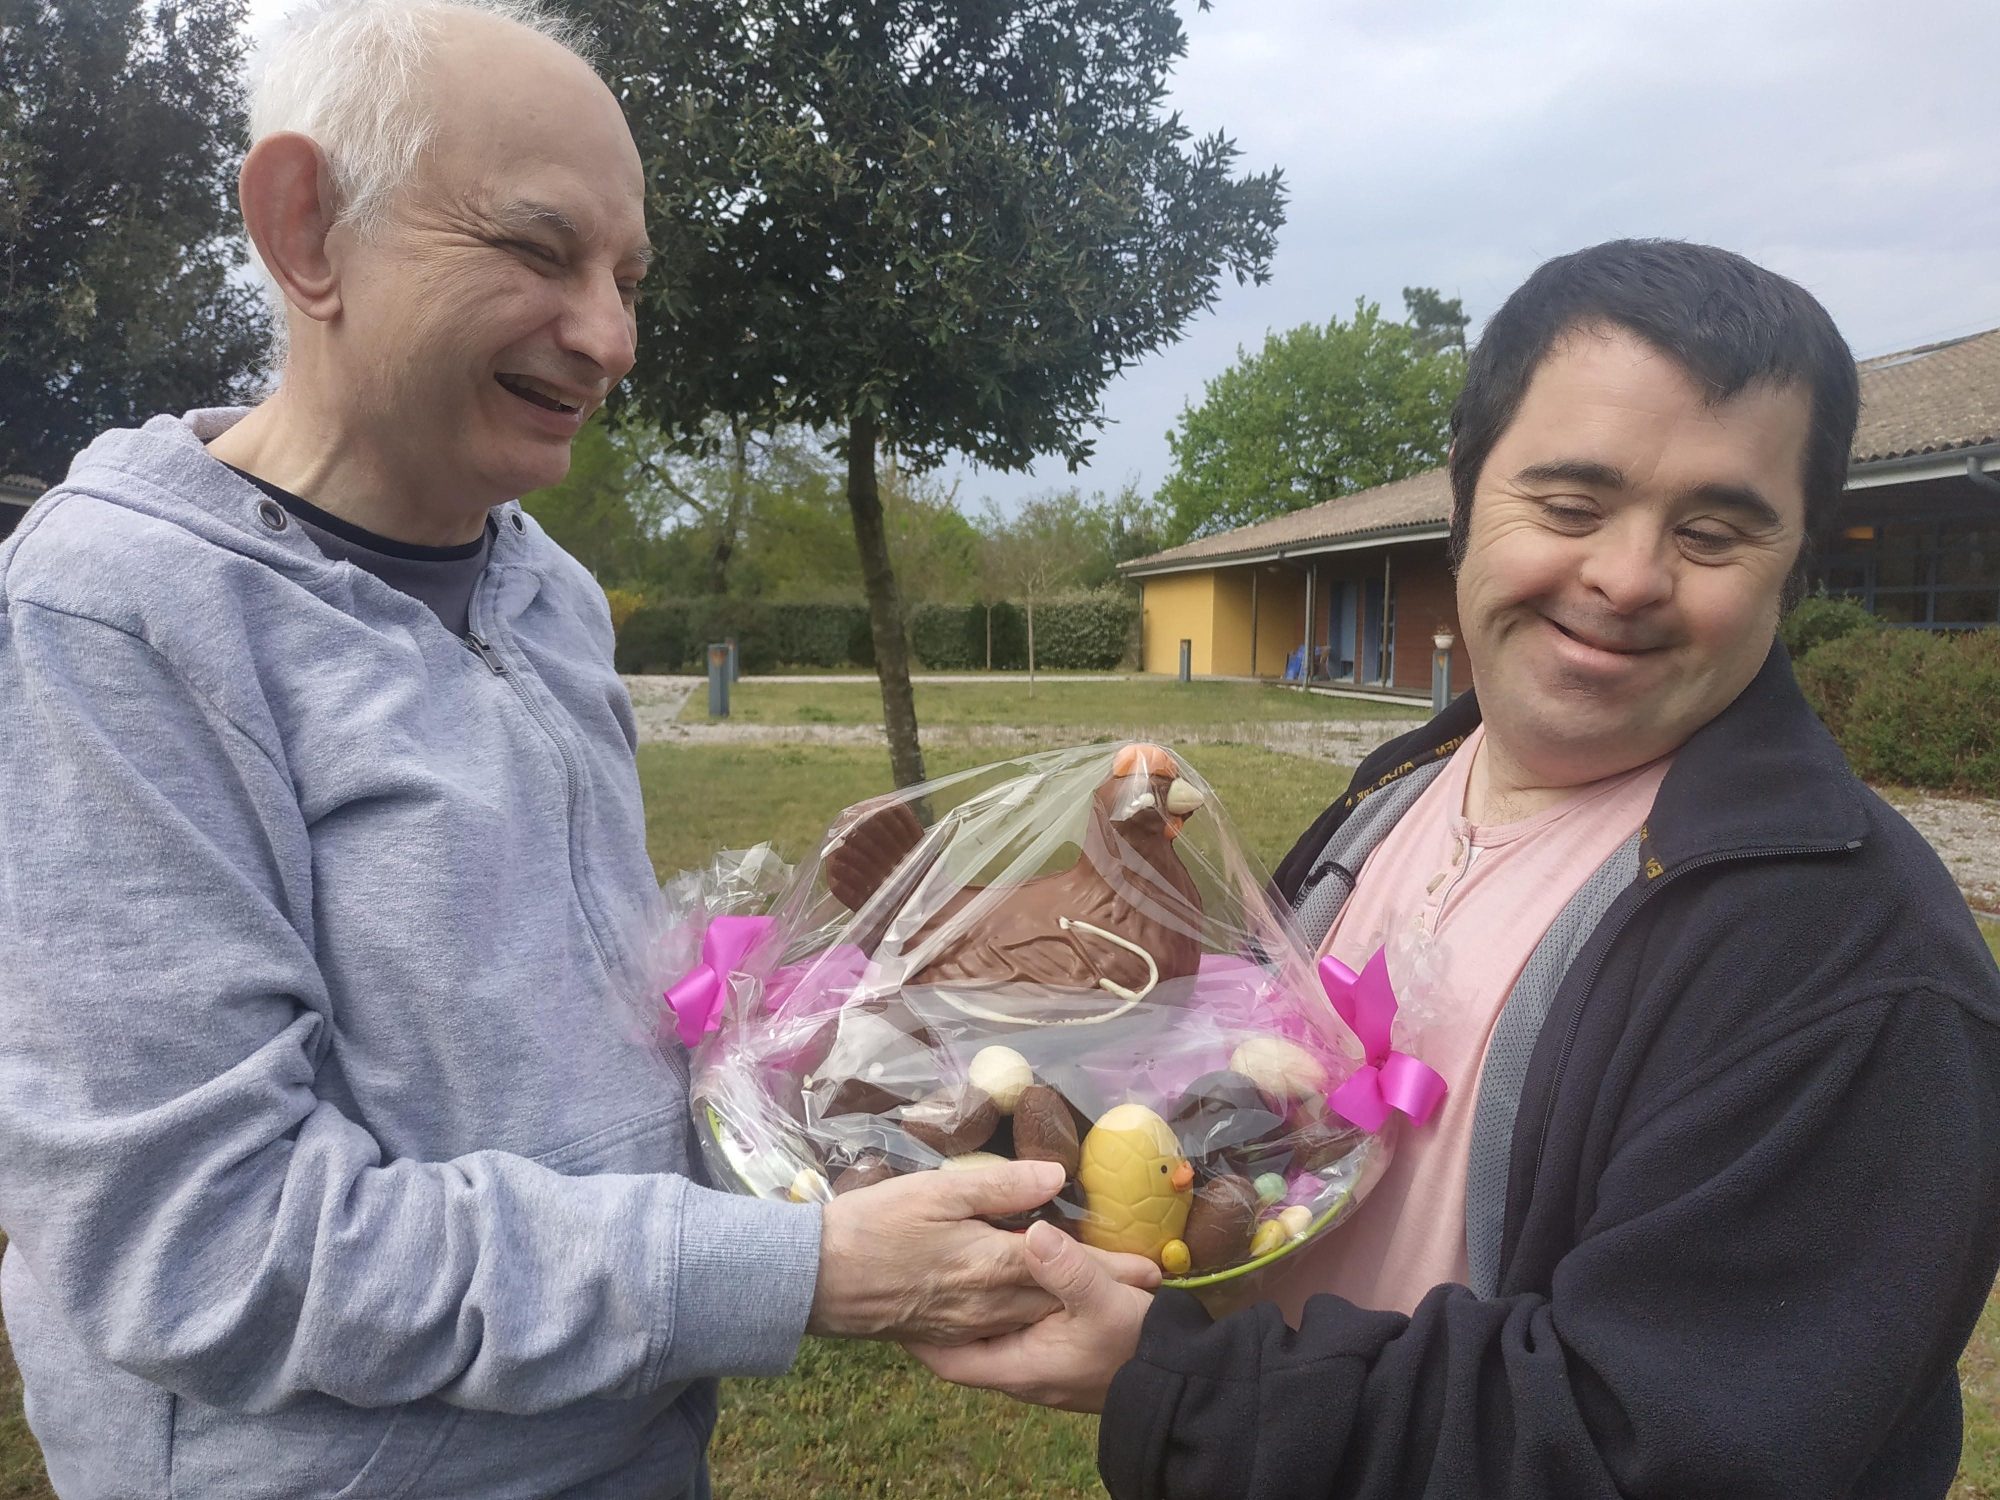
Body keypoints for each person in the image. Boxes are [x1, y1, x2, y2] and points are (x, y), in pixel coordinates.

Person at [0, 3, 1153, 1496]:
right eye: (540, 252)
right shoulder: (114, 615)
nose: (612, 337)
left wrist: (833, 1063)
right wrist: (791, 1272)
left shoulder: (540, 585)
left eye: (625, 278)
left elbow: (556, 1012)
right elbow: (201, 1249)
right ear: (306, 228)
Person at [911, 239, 2000, 1498]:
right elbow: (1248, 1121)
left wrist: (1177, 1383)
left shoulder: (1855, 974)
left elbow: (1641, 1450)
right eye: (1570, 505)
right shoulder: (1397, 792)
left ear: (1790, 564)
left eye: (1711, 533)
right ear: (1464, 500)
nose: (1626, 576)